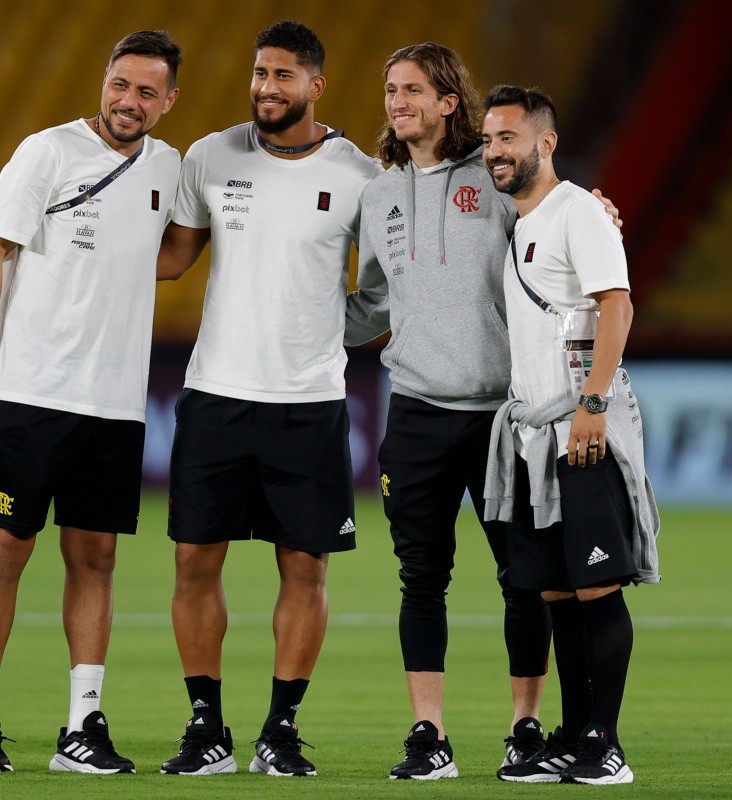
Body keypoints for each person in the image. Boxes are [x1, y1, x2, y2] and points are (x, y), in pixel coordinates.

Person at [344, 43, 622, 780]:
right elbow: (373, 300)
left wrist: (593, 207)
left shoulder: (495, 177)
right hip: (414, 412)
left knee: (524, 576)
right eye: (389, 89)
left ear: (447, 101)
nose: (396, 101)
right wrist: (301, 327)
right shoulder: (379, 194)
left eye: (411, 90)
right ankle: (428, 735)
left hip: (504, 415)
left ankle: (526, 727)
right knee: (419, 577)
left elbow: (551, 207)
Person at [156, 20, 382, 777]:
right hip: (214, 392)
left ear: (316, 86)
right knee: (194, 563)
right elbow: (173, 258)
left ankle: (279, 732)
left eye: (283, 76)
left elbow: (382, 290)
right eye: (260, 74)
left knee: (306, 572)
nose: (266, 88)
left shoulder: (359, 173)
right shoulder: (209, 155)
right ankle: (206, 729)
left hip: (310, 401)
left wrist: (328, 328)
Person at [0, 31, 182, 774]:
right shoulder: (46, 153)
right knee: (6, 553)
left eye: (146, 92)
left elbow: (168, 255)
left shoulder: (167, 168)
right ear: (103, 82)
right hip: (29, 390)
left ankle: (82, 728)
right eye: (119, 84)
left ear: (168, 102)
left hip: (114, 402)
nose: (127, 101)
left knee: (96, 557)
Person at [481, 84, 660, 785]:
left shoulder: (578, 211)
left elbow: (616, 306)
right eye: (490, 140)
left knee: (596, 588)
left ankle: (605, 742)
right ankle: (574, 732)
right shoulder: (521, 222)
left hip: (580, 428)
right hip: (531, 439)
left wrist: (593, 403)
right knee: (556, 591)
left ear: (544, 143)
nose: (496, 151)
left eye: (509, 138)